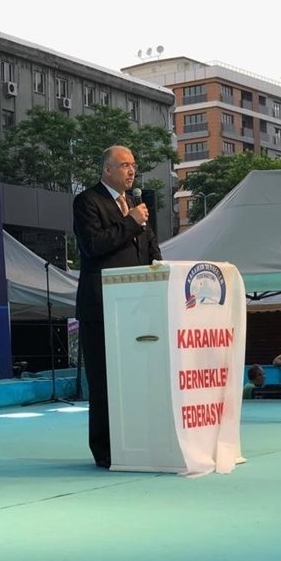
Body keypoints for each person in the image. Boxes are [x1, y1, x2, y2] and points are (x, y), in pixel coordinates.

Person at [73, 145, 159, 469]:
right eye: (125, 165)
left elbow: (150, 249)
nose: (132, 170)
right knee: (104, 381)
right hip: (102, 308)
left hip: (136, 308)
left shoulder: (136, 204)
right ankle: (106, 449)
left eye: (133, 165)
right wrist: (132, 222)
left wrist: (161, 269)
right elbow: (93, 245)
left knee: (135, 379)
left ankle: (135, 441)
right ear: (107, 169)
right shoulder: (87, 201)